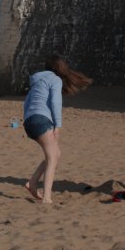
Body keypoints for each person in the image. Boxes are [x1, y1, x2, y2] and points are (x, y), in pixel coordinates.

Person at [22, 55, 92, 203]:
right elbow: (55, 102)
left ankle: (32, 183)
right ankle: (47, 197)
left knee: (56, 153)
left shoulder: (36, 80)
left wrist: (28, 119)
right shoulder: (55, 79)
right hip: (41, 120)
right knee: (52, 158)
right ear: (59, 67)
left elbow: (26, 103)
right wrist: (58, 126)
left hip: (29, 121)